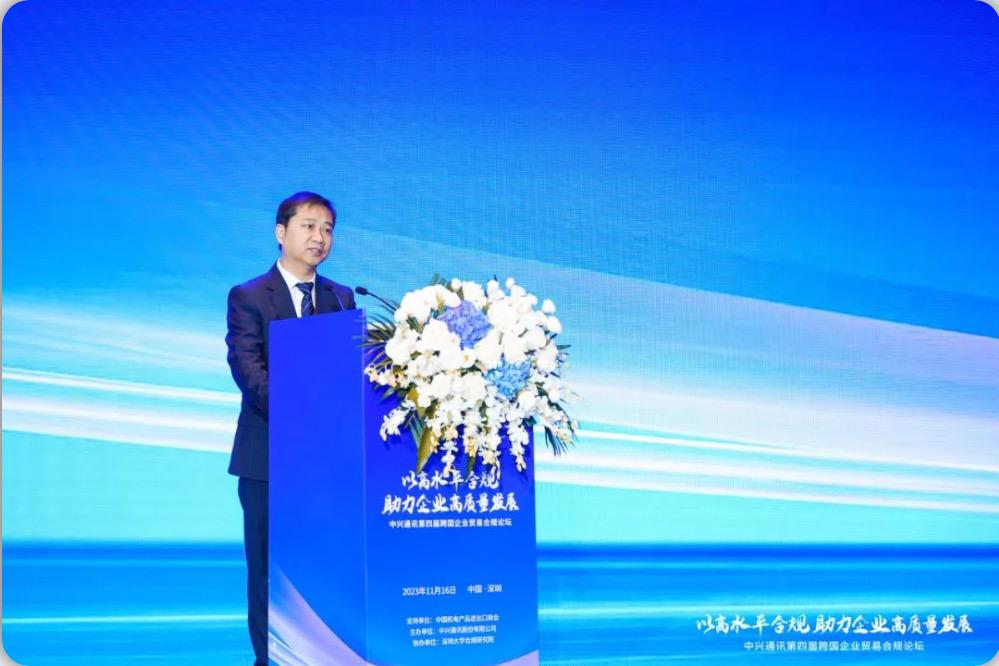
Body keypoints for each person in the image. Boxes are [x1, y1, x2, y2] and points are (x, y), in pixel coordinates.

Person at [225, 191, 355, 665]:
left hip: (328, 464)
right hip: (268, 459)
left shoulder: (342, 298)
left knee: (324, 569)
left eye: (327, 229)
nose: (319, 237)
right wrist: (304, 415)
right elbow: (248, 368)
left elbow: (350, 374)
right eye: (309, 226)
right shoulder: (249, 296)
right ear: (281, 233)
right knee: (267, 572)